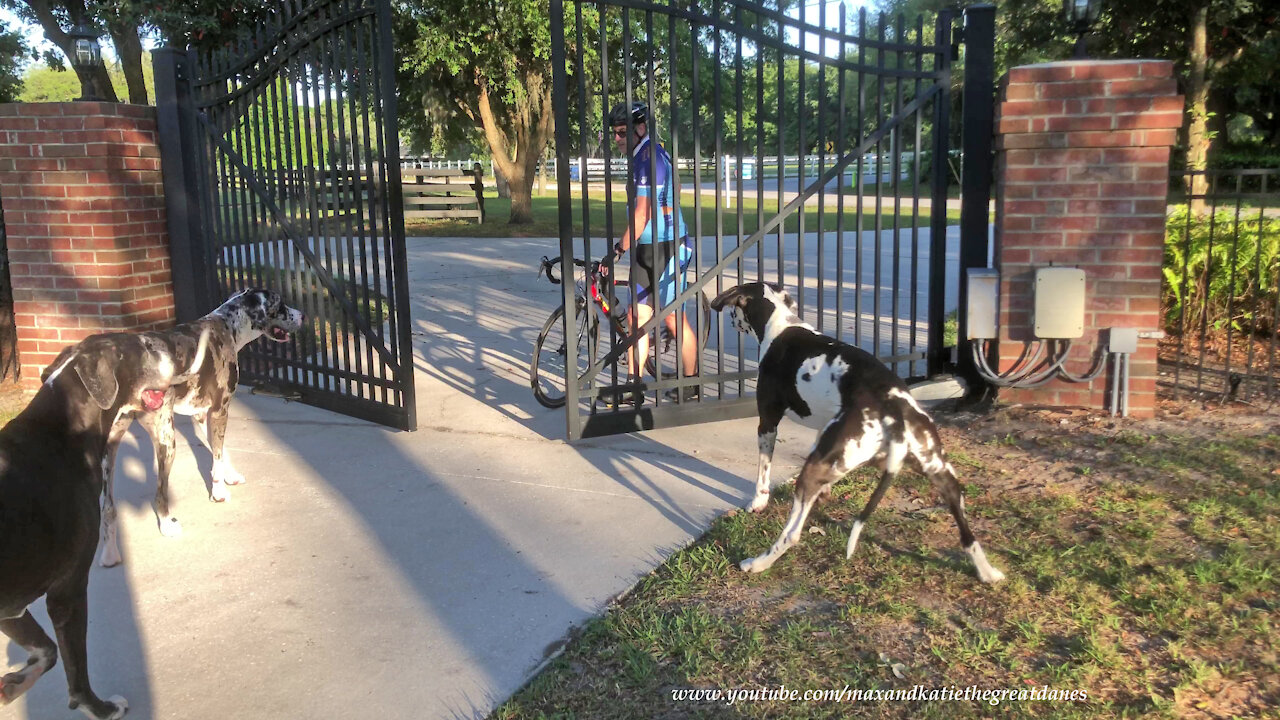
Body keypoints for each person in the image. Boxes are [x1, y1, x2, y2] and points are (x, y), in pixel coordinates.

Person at [601, 101, 699, 402]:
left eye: (622, 133)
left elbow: (642, 213)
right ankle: (633, 386)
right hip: (645, 248)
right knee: (636, 319)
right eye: (614, 134)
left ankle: (692, 382)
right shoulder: (639, 157)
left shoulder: (651, 158)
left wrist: (618, 248)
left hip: (669, 247)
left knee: (672, 319)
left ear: (640, 128)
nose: (617, 139)